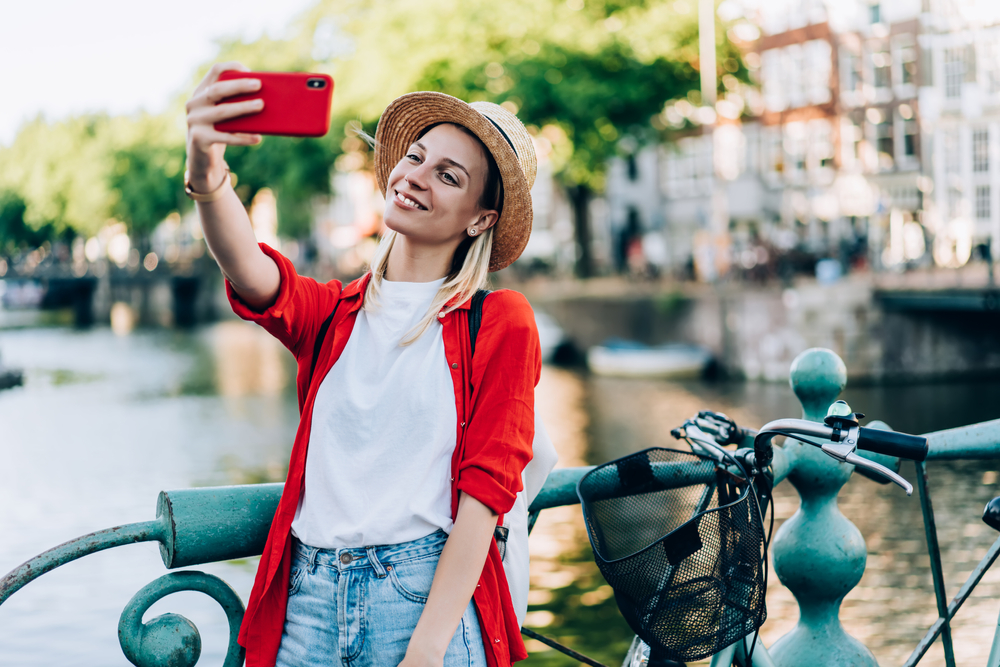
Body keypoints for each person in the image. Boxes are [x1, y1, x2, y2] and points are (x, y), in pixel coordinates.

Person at [184, 63, 541, 667]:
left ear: (480, 219)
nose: (416, 176)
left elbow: (485, 499)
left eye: (448, 176)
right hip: (308, 601)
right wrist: (207, 172)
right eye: (417, 157)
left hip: (422, 601)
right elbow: (248, 268)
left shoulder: (499, 321)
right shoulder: (332, 313)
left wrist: (427, 648)